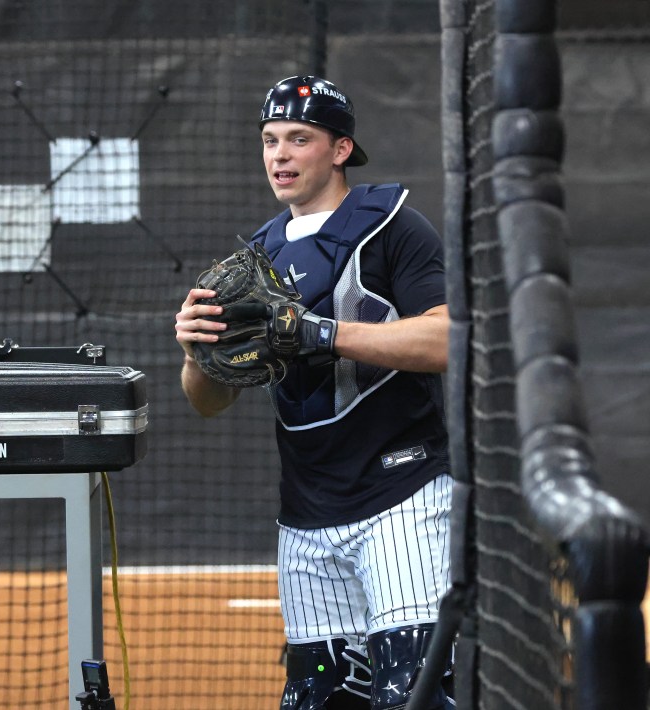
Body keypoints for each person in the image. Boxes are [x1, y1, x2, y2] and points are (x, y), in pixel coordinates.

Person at [174, 75, 453, 709]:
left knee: (411, 694)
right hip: (305, 514)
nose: (280, 155)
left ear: (341, 148)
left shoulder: (394, 226)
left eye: (299, 139)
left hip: (402, 498)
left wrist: (320, 331)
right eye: (270, 140)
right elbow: (207, 401)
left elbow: (447, 342)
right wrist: (196, 354)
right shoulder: (256, 256)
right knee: (319, 700)